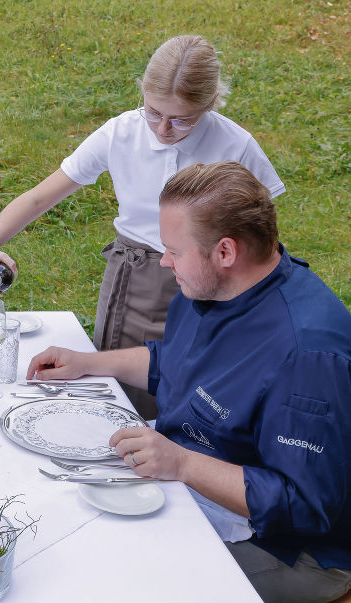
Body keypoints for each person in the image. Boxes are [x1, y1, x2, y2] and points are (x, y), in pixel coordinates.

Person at [27, 162, 351, 603]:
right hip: (191, 481)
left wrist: (181, 464)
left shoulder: (307, 354)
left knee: (112, 574)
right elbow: (174, 364)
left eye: (174, 251)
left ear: (225, 252)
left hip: (291, 551)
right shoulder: (213, 288)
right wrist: (88, 362)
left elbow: (303, 506)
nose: (164, 261)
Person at [0, 35, 285, 418]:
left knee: (201, 393)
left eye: (181, 119)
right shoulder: (122, 132)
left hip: (211, 281)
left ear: (209, 103)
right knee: (119, 394)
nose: (164, 128)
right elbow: (40, 197)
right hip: (135, 279)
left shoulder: (236, 145)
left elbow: (263, 233)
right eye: (153, 112)